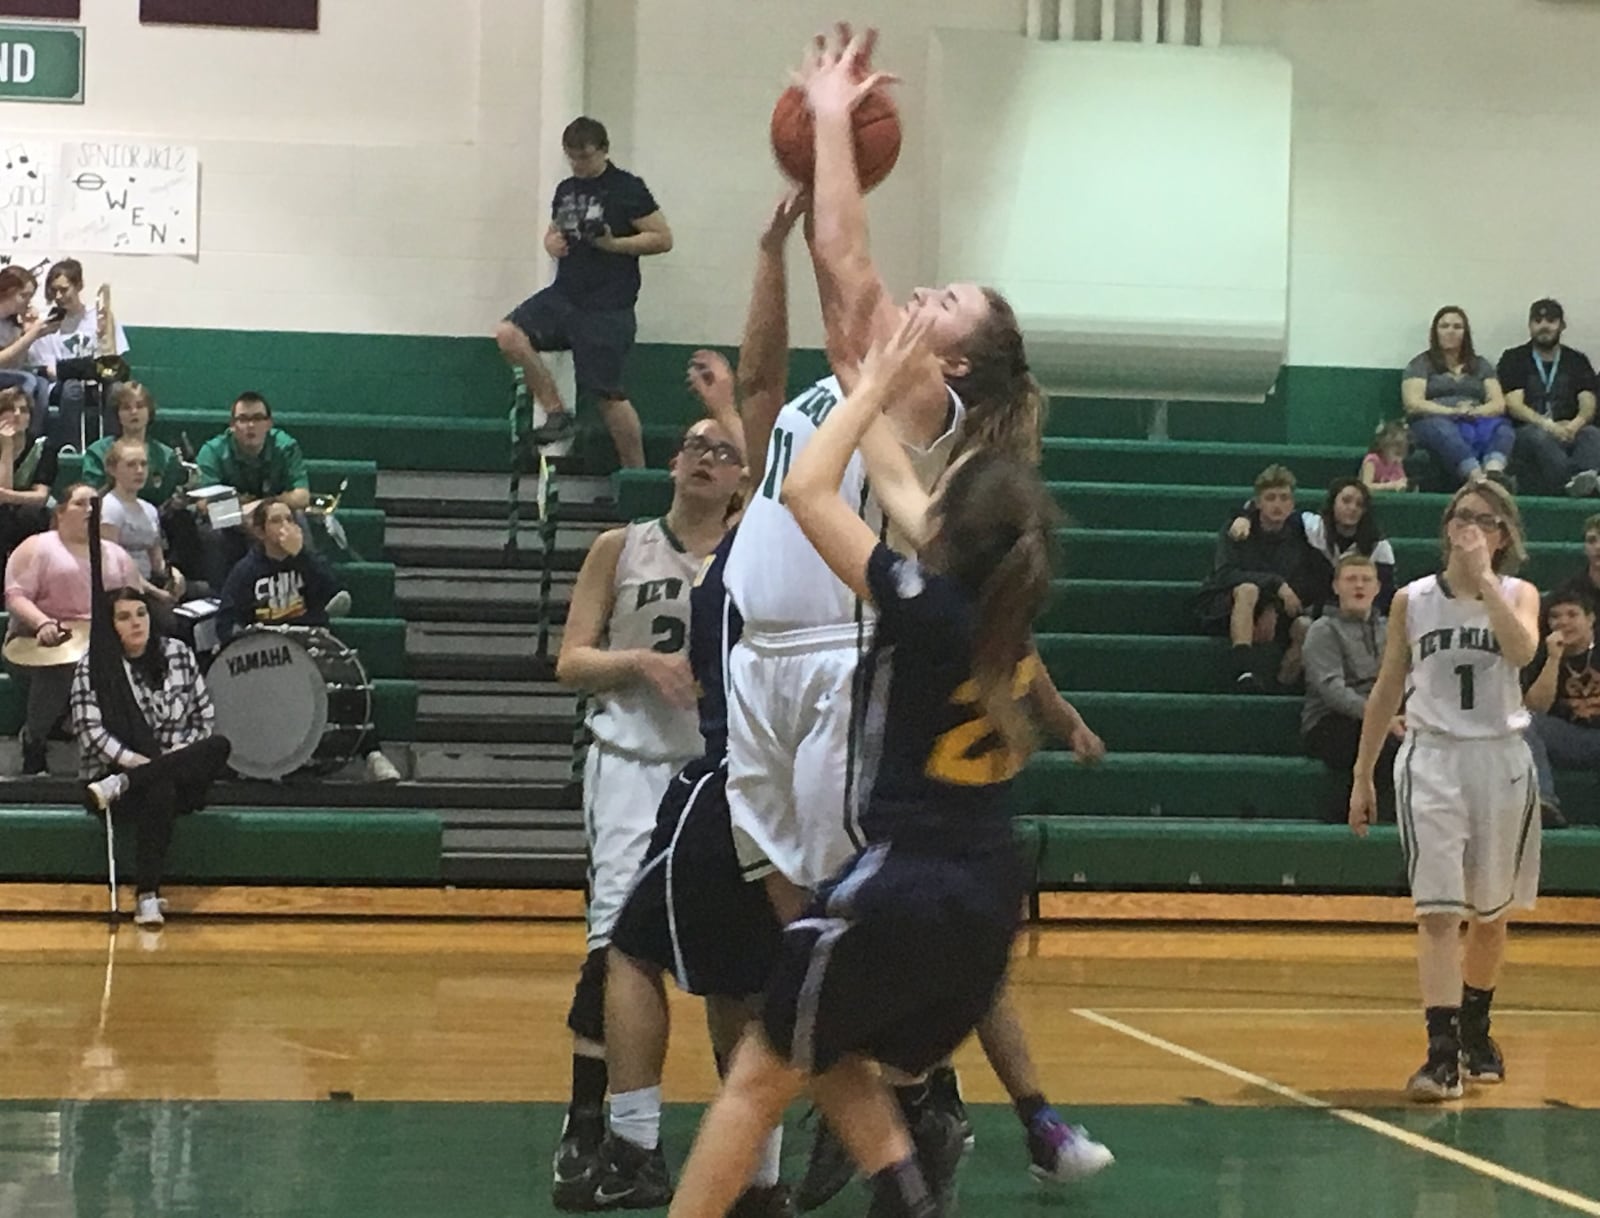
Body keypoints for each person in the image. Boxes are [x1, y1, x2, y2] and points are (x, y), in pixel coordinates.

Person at [667, 315, 1055, 1218]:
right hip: (990, 901)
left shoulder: (920, 604)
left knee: (758, 1078)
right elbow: (892, 482)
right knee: (822, 1035)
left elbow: (808, 489)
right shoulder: (1006, 622)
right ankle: (908, 1186)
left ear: (946, 529)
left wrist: (866, 389)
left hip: (902, 887)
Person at [549, 413, 743, 1209]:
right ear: (671, 461)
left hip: (721, 766)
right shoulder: (619, 547)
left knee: (734, 960)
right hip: (628, 760)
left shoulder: (752, 553)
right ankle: (593, 1119)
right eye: (695, 444)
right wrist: (637, 662)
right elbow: (569, 661)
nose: (707, 458)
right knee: (616, 943)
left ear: (743, 478)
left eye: (725, 451)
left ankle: (744, 1150)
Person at [1350, 479, 1541, 1101]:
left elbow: (1522, 650)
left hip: (1500, 760)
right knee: (1437, 911)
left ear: (1503, 534)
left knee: (1491, 914)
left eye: (1484, 520)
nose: (1470, 528)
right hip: (1431, 757)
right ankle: (1440, 1054)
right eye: (1462, 517)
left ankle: (1477, 1024)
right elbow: (1386, 688)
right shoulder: (1412, 599)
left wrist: (1485, 581)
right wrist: (1362, 774)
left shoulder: (1518, 593)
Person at [494, 116, 672, 468]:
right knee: (508, 333)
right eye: (573, 158)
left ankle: (635, 476)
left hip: (608, 305)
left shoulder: (627, 187)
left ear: (603, 151)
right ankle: (557, 412)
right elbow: (553, 230)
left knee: (607, 396)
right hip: (565, 295)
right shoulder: (567, 189)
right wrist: (551, 242)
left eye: (586, 157)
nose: (580, 165)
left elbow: (662, 238)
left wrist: (613, 243)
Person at [72, 585, 231, 929]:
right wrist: (137, 765)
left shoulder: (179, 653)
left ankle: (125, 783)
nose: (136, 623)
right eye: (125, 617)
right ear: (110, 626)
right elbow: (91, 733)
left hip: (154, 774)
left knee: (219, 746)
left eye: (141, 614)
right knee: (161, 789)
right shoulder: (94, 668)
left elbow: (204, 719)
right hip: (120, 777)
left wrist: (173, 757)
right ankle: (147, 896)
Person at [216, 500, 394, 783]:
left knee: (353, 675)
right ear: (261, 532)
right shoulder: (246, 571)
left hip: (310, 644)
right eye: (276, 521)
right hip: (269, 651)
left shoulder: (308, 560)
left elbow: (336, 595)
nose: (286, 526)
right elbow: (225, 620)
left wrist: (302, 556)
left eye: (289, 519)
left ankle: (372, 754)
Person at [3, 484, 140, 775]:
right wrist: (43, 623)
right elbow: (16, 596)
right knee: (60, 667)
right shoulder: (37, 547)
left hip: (99, 640)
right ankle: (34, 739)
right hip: (41, 638)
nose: (90, 510)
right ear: (61, 511)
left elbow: (131, 600)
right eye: (81, 504)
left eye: (95, 505)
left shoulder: (116, 555)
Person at [1196, 465, 1322, 691]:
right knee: (1248, 590)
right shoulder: (1238, 529)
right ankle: (1243, 670)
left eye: (1284, 498)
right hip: (1226, 604)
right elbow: (1225, 574)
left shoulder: (1300, 535)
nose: (1277, 504)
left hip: (1276, 609)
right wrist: (1276, 584)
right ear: (1258, 502)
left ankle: (1282, 686)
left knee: (1306, 626)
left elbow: (1305, 582)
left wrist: (1272, 605)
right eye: (1270, 498)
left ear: (1292, 504)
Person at [1302, 555, 1401, 823]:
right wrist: (1382, 718)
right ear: (1336, 586)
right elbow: (1332, 689)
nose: (1359, 586)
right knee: (1385, 748)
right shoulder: (1322, 630)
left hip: (1385, 717)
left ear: (1377, 587)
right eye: (1351, 579)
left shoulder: (1391, 629)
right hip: (1331, 722)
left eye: (1366, 580)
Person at [194, 392, 311, 589]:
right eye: (243, 419)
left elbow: (302, 496)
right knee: (213, 529)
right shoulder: (213, 451)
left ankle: (307, 592)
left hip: (269, 515)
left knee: (298, 520)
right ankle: (221, 598)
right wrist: (241, 513)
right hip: (231, 518)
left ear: (269, 424)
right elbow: (204, 504)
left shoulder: (285, 446)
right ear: (232, 426)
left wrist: (262, 507)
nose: (250, 426)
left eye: (257, 418)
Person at [1497, 299, 1600, 497]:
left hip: (1569, 428)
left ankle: (1583, 481)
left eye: (1551, 320)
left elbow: (1588, 401)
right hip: (1528, 431)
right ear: (1530, 326)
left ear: (1562, 325)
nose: (1544, 325)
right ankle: (1572, 484)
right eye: (1537, 320)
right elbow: (1514, 404)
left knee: (1592, 434)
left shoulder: (1576, 360)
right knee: (1540, 437)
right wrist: (1548, 425)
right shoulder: (1514, 358)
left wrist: (1574, 425)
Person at [1402, 306, 1512, 488]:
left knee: (1504, 429)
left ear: (1465, 333)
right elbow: (1413, 404)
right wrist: (1452, 412)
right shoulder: (1421, 363)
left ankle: (1494, 474)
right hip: (1431, 422)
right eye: (1444, 326)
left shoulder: (1481, 365)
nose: (1450, 331)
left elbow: (1498, 403)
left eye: (1457, 327)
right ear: (1435, 332)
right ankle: (1476, 477)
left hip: (1475, 419)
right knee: (1443, 428)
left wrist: (1474, 412)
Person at [28, 260, 130, 448]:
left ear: (79, 286)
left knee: (117, 390)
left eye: (64, 289)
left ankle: (113, 446)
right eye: (53, 290)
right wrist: (90, 366)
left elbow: (115, 363)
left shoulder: (99, 317)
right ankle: (70, 447)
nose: (58, 296)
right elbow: (52, 371)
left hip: (98, 383)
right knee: (72, 388)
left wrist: (73, 367)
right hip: (63, 386)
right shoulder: (47, 322)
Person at [1520, 586, 1598, 830]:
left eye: (1572, 614)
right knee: (1525, 720)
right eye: (1555, 616)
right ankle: (1544, 803)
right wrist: (1554, 659)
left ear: (1591, 618)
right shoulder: (1539, 656)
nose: (1563, 622)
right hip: (1566, 737)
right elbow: (1536, 708)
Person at [99, 438, 183, 605]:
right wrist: (157, 593)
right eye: (131, 465)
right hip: (123, 590)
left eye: (144, 464)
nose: (139, 471)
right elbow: (113, 566)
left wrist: (174, 575)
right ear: (112, 469)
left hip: (149, 583)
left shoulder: (149, 509)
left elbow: (157, 560)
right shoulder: (110, 508)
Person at [80, 383, 188, 504]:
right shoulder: (98, 452)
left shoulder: (166, 456)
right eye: (126, 407)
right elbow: (93, 497)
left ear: (149, 412)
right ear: (117, 414)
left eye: (140, 406)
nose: (134, 412)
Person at [0, 386, 58, 571]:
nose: (17, 415)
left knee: (34, 514)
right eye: (10, 409)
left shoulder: (43, 447)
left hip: (26, 512)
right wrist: (7, 446)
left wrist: (8, 497)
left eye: (24, 410)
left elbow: (40, 496)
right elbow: (4, 486)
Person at [0, 264, 58, 428]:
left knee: (41, 383)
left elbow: (14, 364)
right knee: (28, 380)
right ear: (8, 292)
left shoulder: (12, 323)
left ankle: (31, 435)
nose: (27, 302)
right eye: (24, 295)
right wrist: (33, 334)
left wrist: (27, 331)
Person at [1360, 420, 1410, 493]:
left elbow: (1401, 482)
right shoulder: (1372, 460)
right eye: (1396, 444)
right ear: (1384, 445)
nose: (1399, 449)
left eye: (1403, 445)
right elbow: (1365, 487)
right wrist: (1390, 486)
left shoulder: (1396, 463)